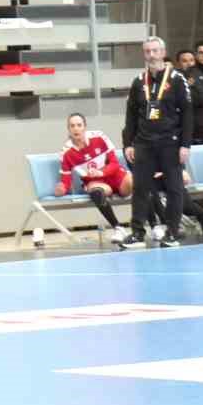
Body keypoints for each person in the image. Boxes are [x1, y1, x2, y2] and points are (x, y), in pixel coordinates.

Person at [121, 36, 193, 249]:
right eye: (147, 51)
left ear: (163, 53)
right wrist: (128, 144)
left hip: (170, 142)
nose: (151, 55)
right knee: (140, 188)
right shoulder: (138, 81)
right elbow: (131, 115)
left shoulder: (177, 79)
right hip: (144, 143)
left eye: (155, 51)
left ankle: (172, 232)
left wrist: (185, 144)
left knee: (174, 188)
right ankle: (137, 233)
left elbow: (188, 113)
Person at [56, 112, 133, 245]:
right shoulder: (66, 153)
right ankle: (118, 228)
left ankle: (154, 226)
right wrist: (61, 189)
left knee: (138, 181)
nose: (76, 129)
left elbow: (114, 163)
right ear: (68, 129)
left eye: (79, 125)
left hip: (115, 176)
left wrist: (100, 172)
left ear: (85, 127)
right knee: (96, 192)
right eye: (72, 126)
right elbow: (66, 181)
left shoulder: (99, 137)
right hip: (96, 182)